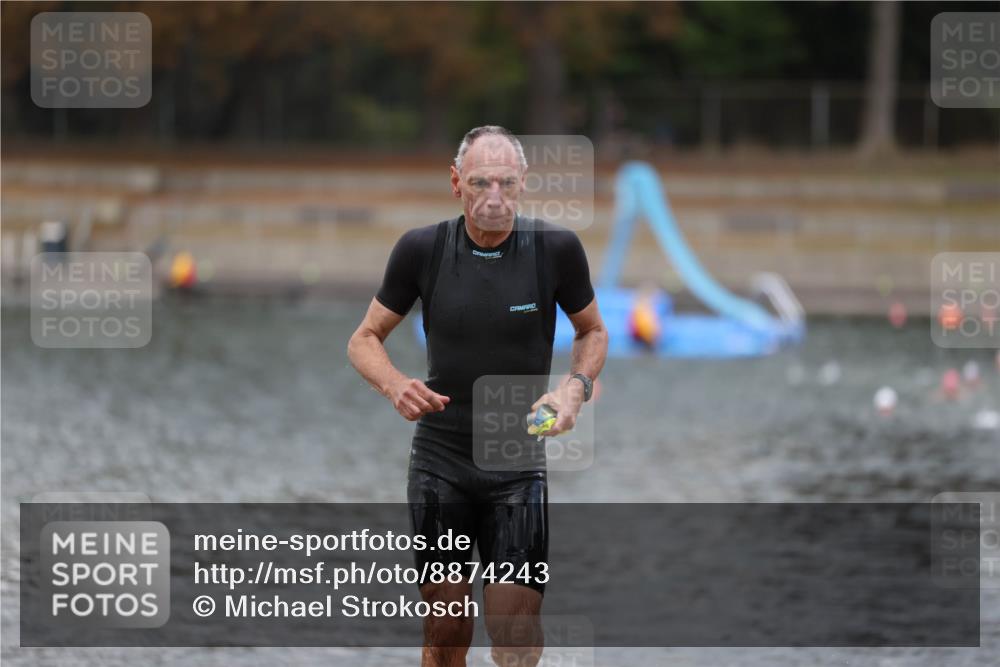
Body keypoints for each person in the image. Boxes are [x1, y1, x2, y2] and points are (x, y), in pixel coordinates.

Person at [347, 125, 608, 667]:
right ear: (455, 183)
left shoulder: (556, 249)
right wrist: (395, 385)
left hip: (517, 461)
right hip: (440, 460)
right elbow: (363, 339)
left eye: (506, 184)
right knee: (446, 633)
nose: (494, 198)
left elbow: (592, 332)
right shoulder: (422, 249)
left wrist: (573, 391)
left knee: (515, 634)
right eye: (481, 183)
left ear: (523, 183)